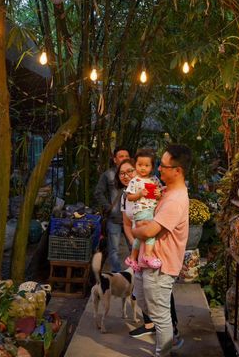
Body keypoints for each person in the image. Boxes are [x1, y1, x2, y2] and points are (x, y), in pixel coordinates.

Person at [131, 144, 192, 357]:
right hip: (147, 261)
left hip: (160, 266)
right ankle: (170, 339)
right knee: (142, 299)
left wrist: (135, 230)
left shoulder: (175, 201)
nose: (158, 169)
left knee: (159, 314)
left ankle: (163, 352)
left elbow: (149, 231)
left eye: (163, 166)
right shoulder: (166, 191)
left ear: (178, 170)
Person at [124, 149, 163, 271]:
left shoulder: (155, 179)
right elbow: (129, 197)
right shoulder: (134, 181)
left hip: (152, 210)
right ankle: (147, 255)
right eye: (140, 164)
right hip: (141, 210)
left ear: (152, 167)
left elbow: (160, 194)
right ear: (135, 165)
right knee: (150, 232)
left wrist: (158, 195)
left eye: (146, 165)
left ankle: (132, 258)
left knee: (140, 237)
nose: (143, 168)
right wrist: (139, 194)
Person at [94, 146, 130, 272]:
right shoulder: (108, 174)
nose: (124, 158)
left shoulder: (135, 174)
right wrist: (108, 207)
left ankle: (135, 276)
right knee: (113, 250)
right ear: (115, 159)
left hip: (131, 218)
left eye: (127, 156)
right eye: (121, 156)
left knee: (134, 248)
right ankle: (117, 275)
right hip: (114, 219)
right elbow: (98, 192)